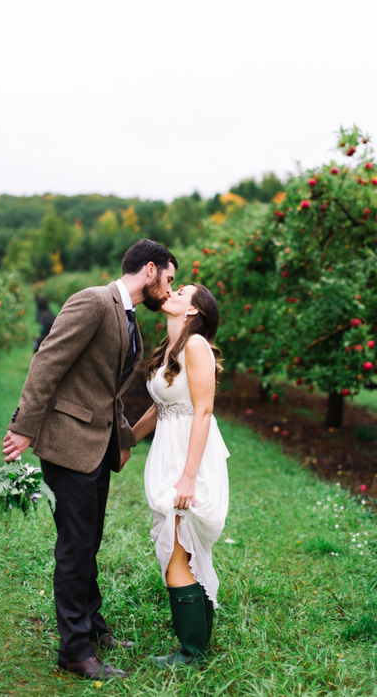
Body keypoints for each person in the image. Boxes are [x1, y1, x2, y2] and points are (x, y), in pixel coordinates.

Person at [2, 240, 177, 680]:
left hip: (96, 445)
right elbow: (48, 361)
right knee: (75, 547)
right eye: (169, 280)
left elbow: (107, 390)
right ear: (150, 270)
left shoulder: (129, 318)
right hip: (67, 443)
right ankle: (75, 651)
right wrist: (24, 425)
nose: (170, 290)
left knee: (90, 541)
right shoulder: (94, 301)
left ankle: (94, 627)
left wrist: (121, 438)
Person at [132, 283, 230, 667]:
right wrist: (127, 440)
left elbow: (203, 411)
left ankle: (192, 653)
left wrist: (188, 477)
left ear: (192, 311)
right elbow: (162, 407)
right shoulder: (169, 349)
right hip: (167, 451)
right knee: (182, 549)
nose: (171, 291)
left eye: (182, 291)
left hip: (190, 457)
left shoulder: (195, 346)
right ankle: (198, 641)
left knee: (177, 553)